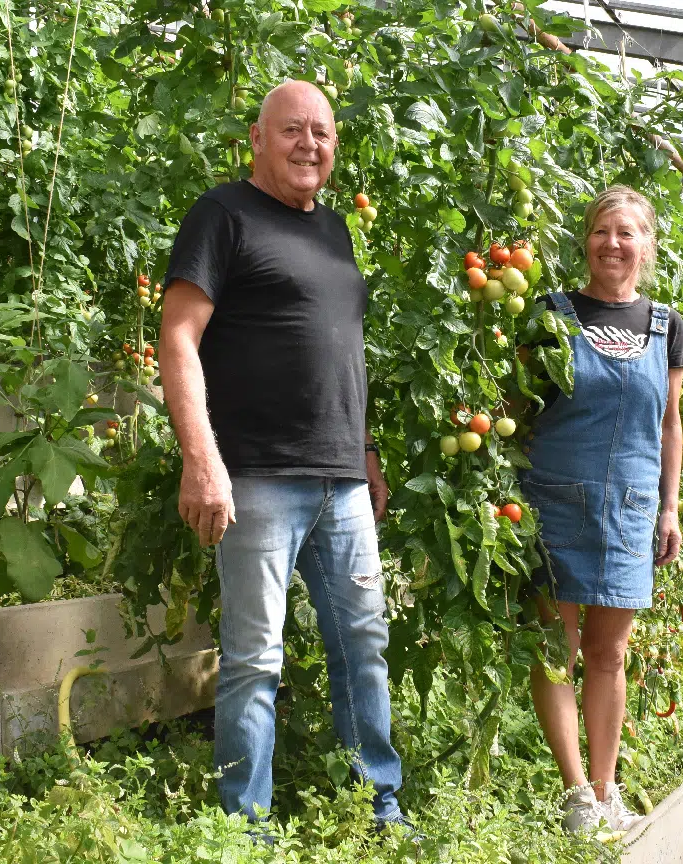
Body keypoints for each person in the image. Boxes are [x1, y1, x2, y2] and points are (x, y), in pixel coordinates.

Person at [159, 80, 407, 831]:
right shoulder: (222, 215)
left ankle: (378, 808)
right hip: (258, 478)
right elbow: (177, 338)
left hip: (341, 483)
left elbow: (339, 349)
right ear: (257, 138)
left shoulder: (334, 230)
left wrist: (363, 449)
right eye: (293, 130)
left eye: (323, 133)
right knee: (254, 660)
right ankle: (242, 828)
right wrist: (201, 460)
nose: (309, 145)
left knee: (363, 646)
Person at [523, 185, 683, 834]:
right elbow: (517, 411)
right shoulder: (552, 315)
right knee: (554, 649)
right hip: (554, 500)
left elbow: (670, 423)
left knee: (609, 654)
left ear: (647, 246)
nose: (612, 244)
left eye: (627, 233)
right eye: (601, 231)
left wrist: (669, 508)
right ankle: (576, 800)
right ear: (585, 241)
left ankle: (605, 785)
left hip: (630, 509)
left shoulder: (665, 325)